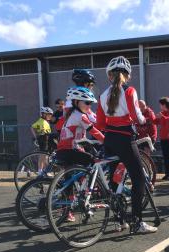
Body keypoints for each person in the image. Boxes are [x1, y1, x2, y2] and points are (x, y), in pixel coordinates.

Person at [96, 55, 157, 234]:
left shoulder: (102, 95)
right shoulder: (129, 91)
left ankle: (119, 221)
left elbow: (100, 124)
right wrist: (147, 120)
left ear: (109, 75)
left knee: (115, 180)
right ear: (128, 75)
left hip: (109, 141)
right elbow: (137, 116)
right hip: (124, 139)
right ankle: (137, 222)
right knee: (138, 179)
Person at [56, 87, 105, 223]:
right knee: (92, 161)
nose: (89, 106)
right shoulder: (80, 116)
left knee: (69, 181)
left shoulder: (70, 114)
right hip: (70, 150)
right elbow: (94, 131)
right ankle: (86, 192)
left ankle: (67, 211)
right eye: (87, 103)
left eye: (91, 103)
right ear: (77, 102)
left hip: (63, 151)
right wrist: (108, 141)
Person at [154, 97, 169, 180]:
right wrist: (155, 117)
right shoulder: (162, 113)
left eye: (160, 105)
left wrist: (162, 117)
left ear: (164, 104)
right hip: (163, 138)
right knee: (165, 156)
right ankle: (167, 173)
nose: (160, 107)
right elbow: (155, 122)